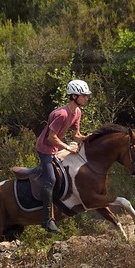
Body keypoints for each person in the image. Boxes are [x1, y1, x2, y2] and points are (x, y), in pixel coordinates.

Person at [34, 79, 91, 233]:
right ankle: (47, 220)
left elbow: (76, 135)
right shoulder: (61, 114)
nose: (86, 98)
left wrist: (89, 138)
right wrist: (67, 147)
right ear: (74, 96)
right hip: (45, 149)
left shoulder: (77, 112)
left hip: (55, 147)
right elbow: (50, 138)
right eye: (83, 95)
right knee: (51, 180)